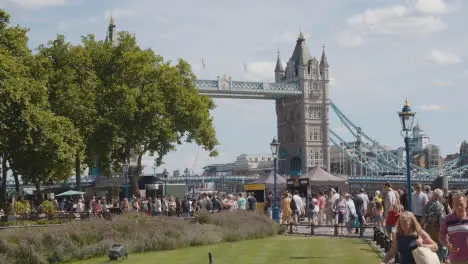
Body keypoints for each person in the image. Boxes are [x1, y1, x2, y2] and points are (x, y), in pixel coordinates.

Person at [439, 193, 468, 264]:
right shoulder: (447, 219)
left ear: (466, 204)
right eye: (456, 205)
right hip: (454, 259)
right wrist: (447, 245)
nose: (459, 207)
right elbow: (441, 236)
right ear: (453, 205)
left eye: (461, 204)